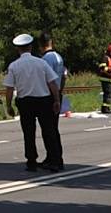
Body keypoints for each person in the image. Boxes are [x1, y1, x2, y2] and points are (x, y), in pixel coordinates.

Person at [4, 33, 63, 173]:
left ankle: (31, 161)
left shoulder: (14, 66)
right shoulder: (41, 62)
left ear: (18, 49)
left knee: (28, 133)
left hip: (25, 102)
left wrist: (8, 105)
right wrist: (56, 100)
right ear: (30, 47)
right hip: (43, 101)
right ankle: (55, 161)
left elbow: (9, 88)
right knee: (49, 131)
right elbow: (52, 83)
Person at [38, 32, 66, 170]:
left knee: (48, 130)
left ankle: (55, 160)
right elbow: (64, 76)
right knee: (53, 128)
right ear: (51, 42)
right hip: (58, 94)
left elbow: (47, 80)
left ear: (40, 45)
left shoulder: (45, 60)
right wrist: (59, 94)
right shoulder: (58, 57)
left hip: (49, 96)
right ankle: (54, 157)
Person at [98, 44, 111, 114]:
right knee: (108, 94)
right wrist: (110, 72)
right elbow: (102, 68)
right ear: (109, 51)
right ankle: (105, 108)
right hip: (105, 78)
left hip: (110, 79)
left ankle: (106, 107)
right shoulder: (105, 58)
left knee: (109, 94)